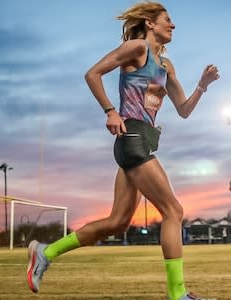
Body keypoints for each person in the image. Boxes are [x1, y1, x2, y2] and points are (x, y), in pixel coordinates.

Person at [26, 2, 219, 300]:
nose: (173, 25)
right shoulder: (137, 47)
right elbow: (92, 74)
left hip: (141, 141)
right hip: (132, 137)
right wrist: (110, 111)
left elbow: (183, 110)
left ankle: (45, 252)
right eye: (168, 19)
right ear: (149, 22)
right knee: (173, 211)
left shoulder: (167, 66)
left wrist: (202, 87)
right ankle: (178, 294)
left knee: (118, 221)